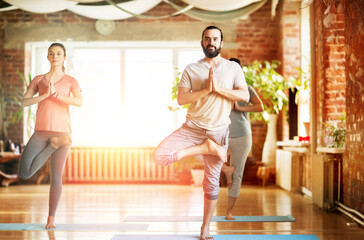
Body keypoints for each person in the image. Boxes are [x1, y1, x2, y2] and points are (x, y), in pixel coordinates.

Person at [153, 26, 249, 240]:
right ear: (202, 42)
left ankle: (205, 228)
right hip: (192, 128)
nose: (211, 42)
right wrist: (205, 90)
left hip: (218, 132)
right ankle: (204, 148)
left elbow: (243, 95)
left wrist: (218, 89)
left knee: (211, 181)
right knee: (159, 156)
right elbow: (181, 99)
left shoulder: (233, 69)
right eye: (207, 38)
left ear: (221, 43)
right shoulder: (192, 69)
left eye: (215, 39)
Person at [18, 42, 83, 229]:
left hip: (62, 132)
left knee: (56, 177)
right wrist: (44, 95)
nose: (55, 56)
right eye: (51, 53)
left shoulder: (71, 81)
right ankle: (53, 145)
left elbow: (79, 102)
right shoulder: (39, 80)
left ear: (64, 57)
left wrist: (57, 95)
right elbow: (24, 102)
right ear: (47, 57)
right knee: (24, 172)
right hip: (41, 132)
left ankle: (51, 219)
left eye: (58, 53)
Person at [221, 57, 264, 220]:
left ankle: (229, 212)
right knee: (208, 158)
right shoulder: (221, 89)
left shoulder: (247, 89)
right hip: (222, 133)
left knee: (238, 172)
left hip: (241, 134)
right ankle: (226, 169)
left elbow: (260, 107)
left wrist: (239, 106)